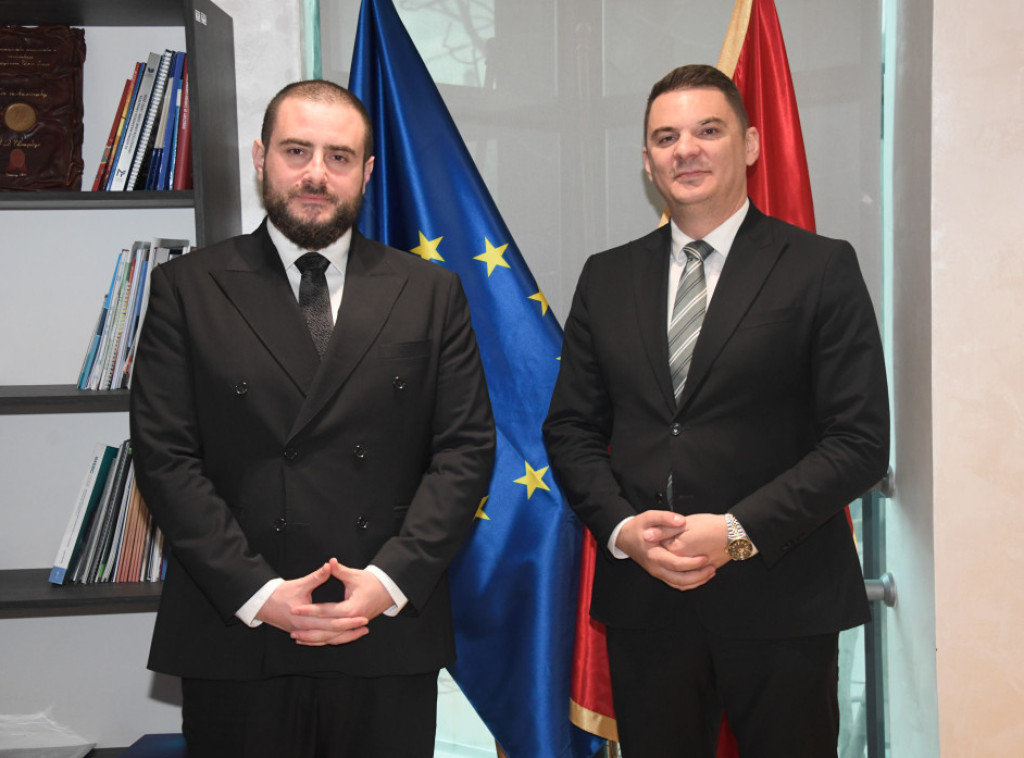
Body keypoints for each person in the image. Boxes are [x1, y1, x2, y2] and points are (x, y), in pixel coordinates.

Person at [129, 80, 495, 758]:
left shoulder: (430, 291)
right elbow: (164, 457)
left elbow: (465, 451)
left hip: (382, 625)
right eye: (296, 151)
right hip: (238, 626)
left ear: (368, 171)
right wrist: (257, 592)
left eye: (339, 156)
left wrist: (387, 582)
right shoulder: (187, 287)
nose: (316, 174)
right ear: (260, 157)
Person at [543, 64, 889, 757]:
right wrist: (623, 530)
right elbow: (571, 428)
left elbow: (858, 442)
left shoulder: (820, 267)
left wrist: (735, 532)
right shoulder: (606, 276)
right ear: (647, 161)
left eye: (708, 130)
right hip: (647, 602)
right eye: (666, 137)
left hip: (783, 599)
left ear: (751, 144)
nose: (686, 150)